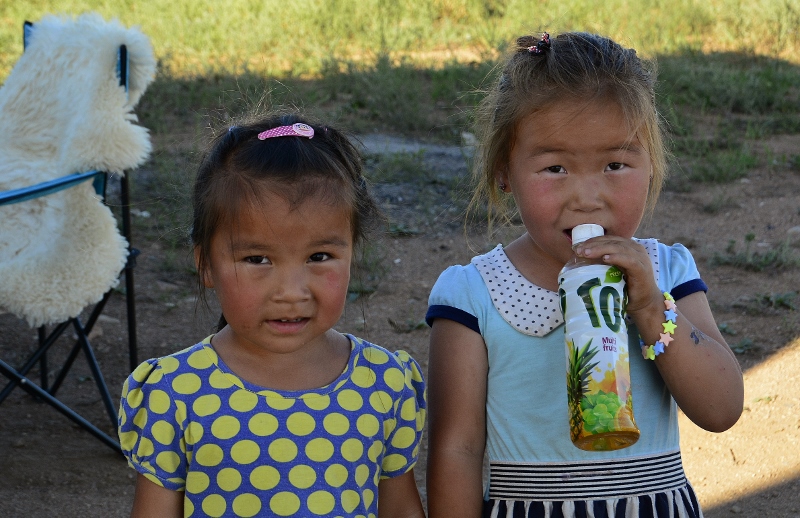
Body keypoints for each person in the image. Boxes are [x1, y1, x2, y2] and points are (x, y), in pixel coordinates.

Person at [425, 32, 744, 517]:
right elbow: (457, 450)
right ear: (503, 173)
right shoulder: (474, 294)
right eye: (555, 168)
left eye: (616, 163)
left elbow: (721, 409)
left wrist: (650, 308)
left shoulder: (667, 271)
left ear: (652, 165)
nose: (588, 196)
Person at [118, 114, 427, 518]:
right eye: (257, 259)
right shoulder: (174, 394)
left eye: (320, 257)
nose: (291, 292)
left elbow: (400, 508)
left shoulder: (385, 383)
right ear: (206, 265)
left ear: (353, 251)